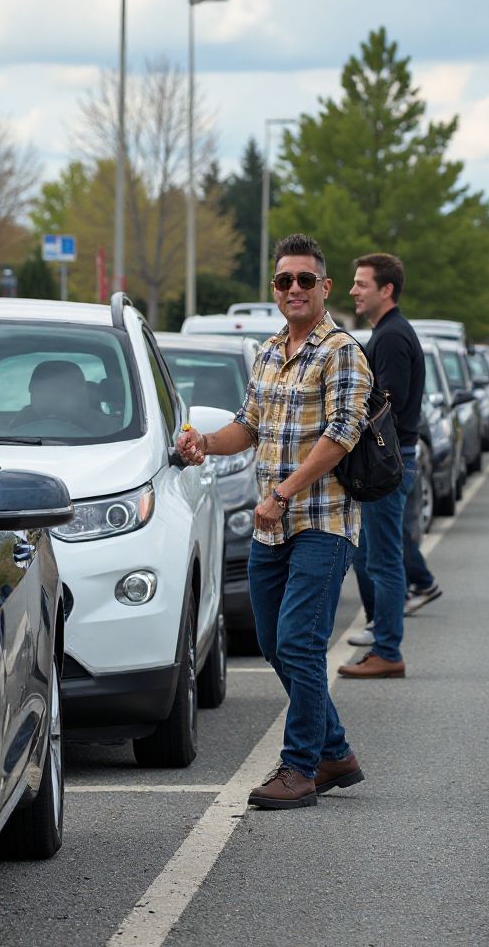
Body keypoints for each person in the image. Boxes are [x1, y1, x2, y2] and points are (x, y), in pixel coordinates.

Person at [176, 233, 371, 810]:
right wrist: (205, 444)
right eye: (284, 280)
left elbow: (341, 435)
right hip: (271, 524)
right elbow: (249, 425)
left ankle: (300, 768)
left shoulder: (342, 352)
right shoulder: (266, 352)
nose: (294, 289)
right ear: (275, 288)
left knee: (300, 642)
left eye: (305, 280)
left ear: (324, 287)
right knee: (272, 642)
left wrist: (283, 492)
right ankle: (335, 751)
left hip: (321, 521)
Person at [339, 253, 425, 680]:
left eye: (361, 284)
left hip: (389, 463)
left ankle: (388, 651)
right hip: (393, 461)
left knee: (385, 561)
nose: (353, 291)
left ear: (386, 289)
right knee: (370, 555)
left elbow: (386, 406)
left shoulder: (391, 337)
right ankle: (382, 639)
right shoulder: (386, 333)